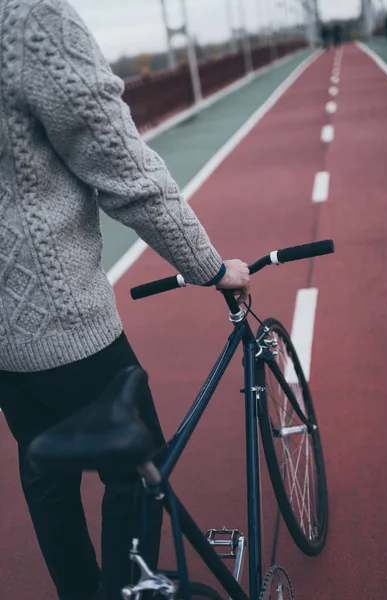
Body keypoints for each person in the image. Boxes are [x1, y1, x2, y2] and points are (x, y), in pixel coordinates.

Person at [0, 1, 250, 600]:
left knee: (46, 480)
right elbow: (121, 166)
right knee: (138, 470)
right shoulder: (31, 18)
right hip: (63, 320)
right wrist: (210, 267)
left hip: (6, 341)